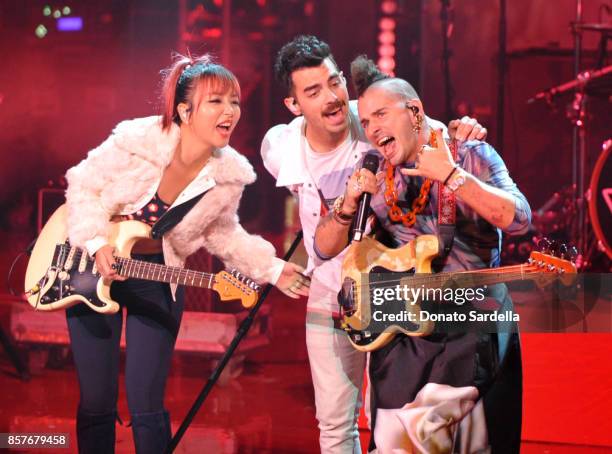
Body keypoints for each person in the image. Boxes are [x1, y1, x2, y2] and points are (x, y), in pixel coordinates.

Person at [63, 53, 309, 454]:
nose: (230, 111)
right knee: (96, 399)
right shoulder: (136, 141)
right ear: (184, 110)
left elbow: (225, 235)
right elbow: (82, 185)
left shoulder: (228, 174)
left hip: (159, 276)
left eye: (235, 102)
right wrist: (95, 243)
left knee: (147, 403)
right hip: (94, 267)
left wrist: (274, 268)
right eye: (217, 101)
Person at [261, 36, 487, 454]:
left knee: (390, 421)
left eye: (334, 82)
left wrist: (462, 131)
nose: (331, 99)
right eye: (313, 92)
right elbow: (319, 241)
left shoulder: (372, 119)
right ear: (293, 105)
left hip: (394, 294)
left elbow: (426, 129)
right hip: (332, 293)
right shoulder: (281, 149)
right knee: (333, 426)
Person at [313, 55, 531, 453]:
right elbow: (323, 247)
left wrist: (451, 176)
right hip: (402, 337)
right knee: (395, 443)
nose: (373, 127)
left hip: (470, 329)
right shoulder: (375, 169)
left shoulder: (469, 154)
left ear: (414, 111)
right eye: (367, 119)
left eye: (381, 114)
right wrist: (347, 205)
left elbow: (518, 219)